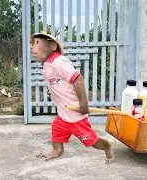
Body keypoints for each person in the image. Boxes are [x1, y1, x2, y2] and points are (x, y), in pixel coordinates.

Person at [30, 32, 114, 164]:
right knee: (56, 130)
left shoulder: (59, 62)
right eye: (33, 43)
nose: (32, 47)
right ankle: (57, 151)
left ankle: (106, 146)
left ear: (52, 46)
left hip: (76, 117)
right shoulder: (47, 64)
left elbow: (78, 79)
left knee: (92, 142)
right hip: (63, 114)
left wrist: (83, 104)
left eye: (37, 43)